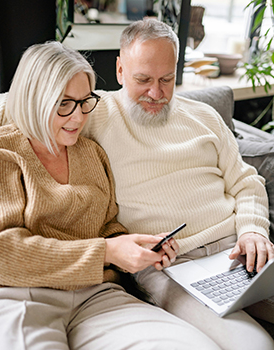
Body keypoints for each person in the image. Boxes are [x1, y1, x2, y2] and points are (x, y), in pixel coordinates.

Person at [0, 41, 225, 350]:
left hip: (98, 295)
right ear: (33, 98)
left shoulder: (90, 153)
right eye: (64, 104)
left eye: (84, 101)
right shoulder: (3, 153)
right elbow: (2, 253)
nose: (78, 118)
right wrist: (106, 252)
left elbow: (107, 227)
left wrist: (140, 247)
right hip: (23, 294)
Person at [79, 19, 274, 349]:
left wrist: (253, 229)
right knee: (254, 344)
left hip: (237, 251)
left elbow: (246, 181)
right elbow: (17, 105)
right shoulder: (91, 112)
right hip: (171, 267)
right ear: (120, 69)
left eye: (166, 80)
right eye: (143, 80)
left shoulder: (204, 116)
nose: (156, 93)